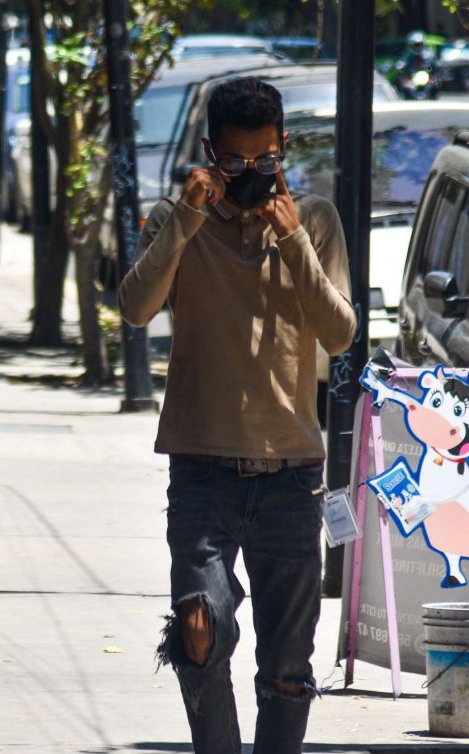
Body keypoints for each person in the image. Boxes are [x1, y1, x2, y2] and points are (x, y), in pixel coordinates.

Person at [119, 77, 356, 754]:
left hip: (290, 474)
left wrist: (293, 245)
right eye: (235, 163)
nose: (251, 175)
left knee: (286, 670)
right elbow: (135, 309)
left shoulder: (313, 221)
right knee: (199, 626)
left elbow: (340, 333)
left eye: (264, 161)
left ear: (282, 148)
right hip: (203, 470)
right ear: (208, 154)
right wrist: (189, 220)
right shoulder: (175, 221)